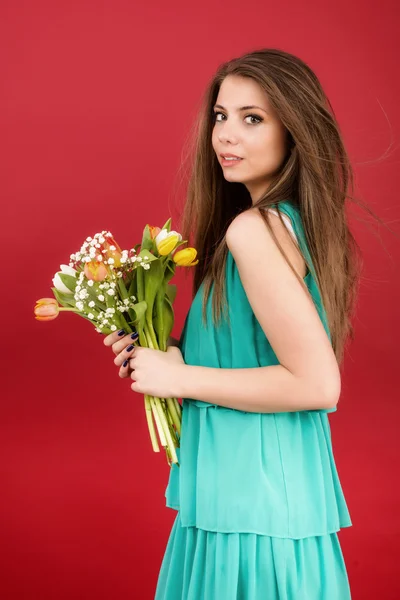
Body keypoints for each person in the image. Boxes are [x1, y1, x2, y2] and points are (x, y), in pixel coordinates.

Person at [103, 48, 366, 599]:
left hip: (252, 510)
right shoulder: (281, 225)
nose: (226, 135)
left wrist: (177, 379)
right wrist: (164, 355)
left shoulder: (255, 229)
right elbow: (253, 360)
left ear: (294, 131)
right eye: (221, 116)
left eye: (253, 118)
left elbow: (316, 383)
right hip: (253, 501)